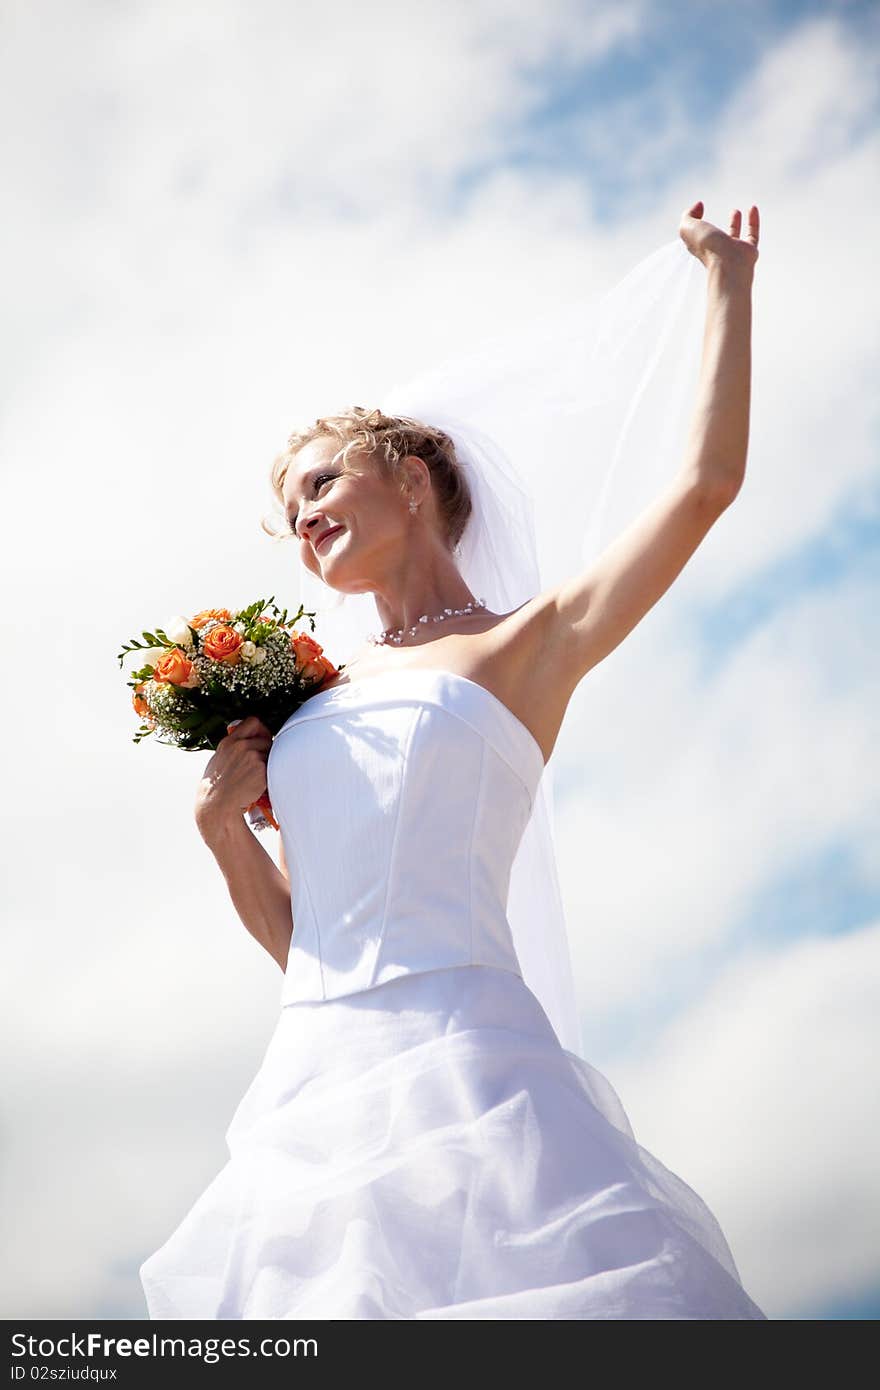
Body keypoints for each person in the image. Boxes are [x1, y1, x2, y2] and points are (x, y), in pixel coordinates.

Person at [139, 203, 768, 1319]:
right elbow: (311, 947)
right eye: (290, 512)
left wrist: (728, 282)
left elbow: (702, 487)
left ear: (413, 478)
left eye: (323, 483)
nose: (304, 519)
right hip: (314, 1099)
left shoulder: (531, 642)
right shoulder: (305, 704)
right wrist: (220, 829)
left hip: (478, 1071)